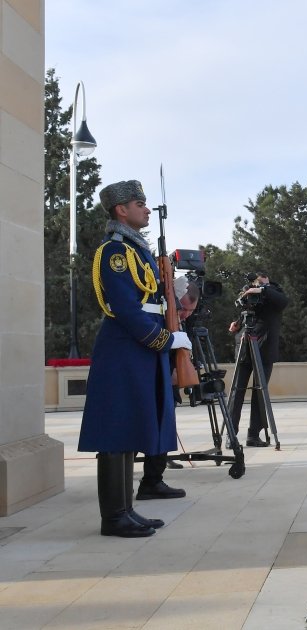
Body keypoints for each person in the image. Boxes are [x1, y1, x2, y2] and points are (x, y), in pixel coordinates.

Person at [78, 180, 194, 537]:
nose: (146, 209)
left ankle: (125, 509)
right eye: (138, 203)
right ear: (120, 210)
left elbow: (151, 299)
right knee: (116, 430)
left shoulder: (136, 249)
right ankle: (113, 517)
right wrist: (163, 340)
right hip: (125, 347)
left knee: (129, 430)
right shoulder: (115, 252)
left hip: (139, 349)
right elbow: (126, 309)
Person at [136, 278, 202, 496]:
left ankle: (153, 481)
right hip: (149, 377)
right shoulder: (158, 313)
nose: (185, 315)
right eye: (183, 309)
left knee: (163, 430)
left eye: (190, 311)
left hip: (165, 381)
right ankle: (127, 483)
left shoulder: (179, 319)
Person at [227, 272, 288, 446]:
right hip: (245, 346)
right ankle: (231, 436)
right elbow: (244, 308)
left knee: (259, 394)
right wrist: (237, 321)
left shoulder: (274, 292)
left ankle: (253, 435)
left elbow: (283, 302)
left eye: (263, 280)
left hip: (265, 349)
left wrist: (263, 288)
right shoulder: (248, 290)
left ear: (268, 280)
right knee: (236, 392)